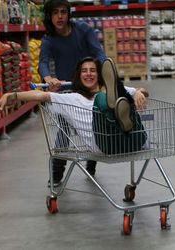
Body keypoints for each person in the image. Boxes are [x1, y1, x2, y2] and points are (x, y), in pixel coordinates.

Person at [0, 57, 148, 165]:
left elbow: (145, 92)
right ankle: (119, 113)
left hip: (134, 141)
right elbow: (41, 95)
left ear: (100, 75)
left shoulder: (110, 90)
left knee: (120, 96)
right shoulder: (72, 98)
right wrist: (12, 95)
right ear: (78, 76)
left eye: (93, 70)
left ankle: (123, 114)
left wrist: (139, 92)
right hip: (104, 145)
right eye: (84, 71)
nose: (88, 73)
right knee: (104, 98)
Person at [38, 0, 106, 184]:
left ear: (68, 14)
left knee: (94, 125)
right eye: (55, 13)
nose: (60, 16)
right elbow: (43, 62)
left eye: (63, 12)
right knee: (63, 129)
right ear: (49, 16)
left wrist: (103, 72)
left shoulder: (83, 30)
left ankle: (92, 162)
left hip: (89, 86)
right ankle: (56, 174)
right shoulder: (49, 39)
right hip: (66, 90)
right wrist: (48, 78)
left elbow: (98, 53)